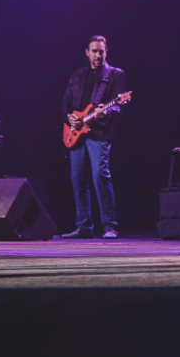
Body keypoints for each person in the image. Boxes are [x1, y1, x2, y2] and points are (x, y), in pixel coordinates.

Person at [61, 36, 127, 239]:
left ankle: (110, 226)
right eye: (95, 51)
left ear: (106, 52)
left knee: (100, 175)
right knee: (77, 179)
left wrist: (105, 112)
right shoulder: (78, 75)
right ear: (87, 52)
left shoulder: (115, 75)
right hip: (76, 132)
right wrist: (69, 117)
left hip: (99, 132)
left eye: (102, 51)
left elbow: (117, 104)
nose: (98, 54)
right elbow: (65, 103)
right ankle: (84, 226)